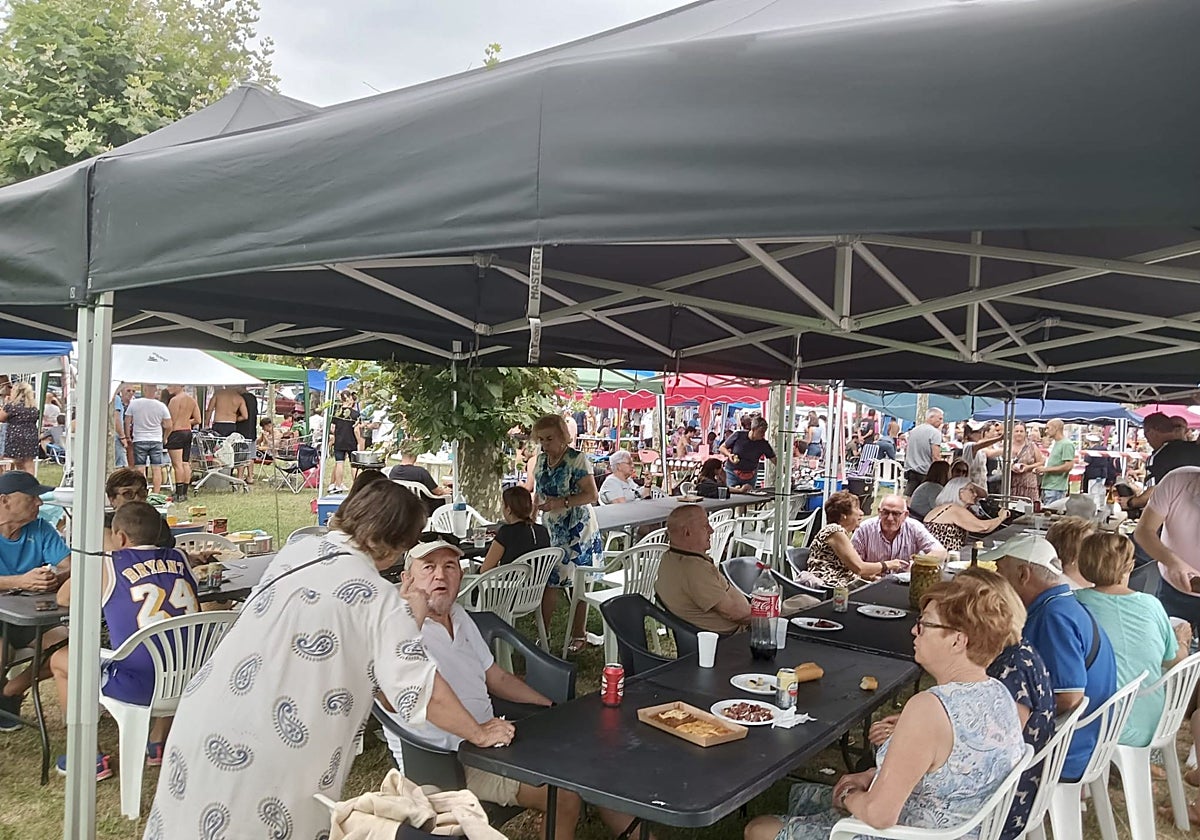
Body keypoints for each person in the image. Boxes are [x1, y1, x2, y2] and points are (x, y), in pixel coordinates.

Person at [143, 480, 514, 839]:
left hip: (207, 713)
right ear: (396, 546)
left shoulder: (296, 553)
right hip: (273, 751)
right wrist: (479, 731)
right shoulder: (377, 600)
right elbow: (422, 692)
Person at [388, 537, 644, 840]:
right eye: (428, 567)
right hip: (448, 761)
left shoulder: (458, 615)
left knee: (589, 756)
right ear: (407, 580)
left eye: (449, 566)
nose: (440, 575)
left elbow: (496, 677)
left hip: (491, 742)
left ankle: (634, 831)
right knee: (563, 794)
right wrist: (413, 616)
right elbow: (394, 691)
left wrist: (550, 707)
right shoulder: (395, 632)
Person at [745, 575, 1025, 840]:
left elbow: (880, 815)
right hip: (959, 827)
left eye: (925, 624)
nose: (915, 630)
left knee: (759, 829)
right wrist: (870, 776)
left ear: (957, 640)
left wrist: (849, 796)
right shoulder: (1000, 694)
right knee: (803, 794)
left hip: (906, 832)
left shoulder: (930, 708)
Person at [49, 502, 202, 778]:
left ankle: (86, 756)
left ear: (119, 537)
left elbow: (63, 598)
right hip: (187, 680)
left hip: (135, 685)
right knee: (173, 648)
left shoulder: (108, 562)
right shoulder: (181, 558)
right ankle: (157, 742)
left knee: (61, 661)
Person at [989, 534, 1117, 782]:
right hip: (1086, 738)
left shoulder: (1053, 617)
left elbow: (1069, 698)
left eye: (1000, 572)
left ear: (1024, 575)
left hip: (1066, 750)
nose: (997, 582)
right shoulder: (1061, 604)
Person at [1075, 531, 1188, 748]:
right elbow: (1175, 660)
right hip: (1153, 720)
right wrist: (1182, 641)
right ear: (1130, 566)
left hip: (1097, 722)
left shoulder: (1074, 604)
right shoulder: (1151, 605)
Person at [0, 471, 71, 728]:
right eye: (32, 497)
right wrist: (19, 582)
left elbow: (71, 564)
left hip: (32, 616)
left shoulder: (40, 527)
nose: (39, 503)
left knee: (69, 650)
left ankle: (11, 691)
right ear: (4, 500)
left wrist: (56, 577)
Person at [532, 414, 602, 654]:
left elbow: (591, 495)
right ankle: (544, 633)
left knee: (578, 581)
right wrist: (531, 519)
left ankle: (579, 633)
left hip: (577, 528)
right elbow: (537, 493)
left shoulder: (577, 460)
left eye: (549, 438)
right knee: (549, 580)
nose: (544, 444)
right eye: (541, 439)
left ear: (563, 436)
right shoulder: (540, 460)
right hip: (551, 528)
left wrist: (562, 502)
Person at [656, 505, 749, 634]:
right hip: (730, 640)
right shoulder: (694, 570)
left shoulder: (670, 558)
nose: (711, 530)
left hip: (709, 636)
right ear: (687, 532)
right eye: (705, 526)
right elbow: (739, 614)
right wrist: (771, 615)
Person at [1135, 466, 1200, 625]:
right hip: (1175, 591)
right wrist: (1172, 562)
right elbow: (1144, 530)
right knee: (1168, 646)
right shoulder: (1176, 481)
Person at [807, 491, 904, 590]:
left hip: (841, 586)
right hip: (830, 589)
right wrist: (888, 564)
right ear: (843, 515)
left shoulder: (838, 533)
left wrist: (870, 577)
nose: (861, 513)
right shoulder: (834, 531)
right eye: (857, 508)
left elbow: (848, 567)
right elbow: (859, 568)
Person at [1122, 412, 1200, 514]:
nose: (1148, 441)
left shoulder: (1157, 457)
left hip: (1174, 519)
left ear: (1152, 433)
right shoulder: (1196, 448)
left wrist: (1130, 502)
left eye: (1146, 437)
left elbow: (1154, 494)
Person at [852, 494, 945, 568]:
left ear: (905, 515)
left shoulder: (914, 527)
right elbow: (852, 563)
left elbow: (940, 552)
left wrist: (917, 565)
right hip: (870, 582)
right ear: (879, 512)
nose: (890, 518)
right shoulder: (864, 529)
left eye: (896, 514)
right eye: (886, 512)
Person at [921, 478, 1011, 553]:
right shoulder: (955, 510)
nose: (975, 494)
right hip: (945, 557)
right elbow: (983, 527)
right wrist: (1001, 517)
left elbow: (983, 494)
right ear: (959, 492)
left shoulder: (943, 508)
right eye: (971, 490)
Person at [480, 486, 551, 572]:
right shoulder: (542, 531)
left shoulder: (506, 533)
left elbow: (485, 570)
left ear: (508, 509)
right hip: (537, 584)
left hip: (509, 584)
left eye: (503, 505)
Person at [104, 468, 175, 550]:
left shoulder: (157, 522)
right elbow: (112, 556)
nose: (137, 498)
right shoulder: (105, 523)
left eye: (141, 492)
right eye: (128, 494)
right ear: (112, 499)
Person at [124, 390, 173, 494]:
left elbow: (127, 421)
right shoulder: (161, 406)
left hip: (140, 439)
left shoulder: (134, 403)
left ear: (144, 390)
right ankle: (156, 493)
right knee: (156, 468)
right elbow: (169, 425)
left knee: (140, 468)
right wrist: (165, 437)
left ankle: (141, 491)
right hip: (156, 440)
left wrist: (128, 436)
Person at [164, 384, 201, 501]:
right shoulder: (192, 400)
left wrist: (165, 437)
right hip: (187, 432)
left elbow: (171, 422)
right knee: (185, 463)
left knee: (177, 465)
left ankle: (179, 493)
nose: (168, 388)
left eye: (170, 385)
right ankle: (184, 492)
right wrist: (186, 420)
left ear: (179, 386)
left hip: (176, 433)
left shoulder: (174, 401)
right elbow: (198, 420)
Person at [388, 445, 450, 515]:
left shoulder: (394, 470)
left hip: (401, 505)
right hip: (423, 506)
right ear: (415, 455)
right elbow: (437, 492)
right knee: (448, 499)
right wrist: (444, 490)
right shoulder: (420, 472)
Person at [719, 416, 776, 491]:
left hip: (750, 476)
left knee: (749, 497)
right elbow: (722, 448)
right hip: (732, 473)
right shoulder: (738, 435)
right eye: (761, 431)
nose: (763, 434)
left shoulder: (763, 444)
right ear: (753, 429)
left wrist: (785, 470)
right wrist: (729, 455)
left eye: (764, 432)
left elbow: (774, 459)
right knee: (732, 496)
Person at [1044, 516, 1097, 590]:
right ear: (1069, 549)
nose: (1096, 547)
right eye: (1088, 544)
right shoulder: (1060, 587)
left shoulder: (1095, 576)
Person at [0, 382, 40, 475]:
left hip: (16, 436)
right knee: (29, 463)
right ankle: (30, 484)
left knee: (16, 461)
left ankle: (18, 482)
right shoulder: (33, 407)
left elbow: (1, 418)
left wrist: (6, 404)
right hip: (31, 436)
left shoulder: (12, 406)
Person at [327, 389, 362, 493]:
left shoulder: (336, 413)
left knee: (339, 462)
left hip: (339, 441)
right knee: (354, 464)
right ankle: (357, 486)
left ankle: (337, 485)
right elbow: (356, 429)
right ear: (349, 398)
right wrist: (359, 441)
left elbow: (332, 428)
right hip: (351, 441)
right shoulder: (356, 414)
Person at [1033, 418, 1076, 505]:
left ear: (1056, 428)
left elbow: (1068, 466)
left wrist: (1046, 469)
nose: (1046, 431)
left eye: (1048, 428)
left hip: (1056, 488)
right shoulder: (1056, 443)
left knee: (1051, 513)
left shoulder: (1066, 444)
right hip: (1049, 486)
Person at [903, 408, 944, 496]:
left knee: (910, 496)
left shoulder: (913, 431)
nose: (941, 421)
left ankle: (908, 509)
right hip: (926, 471)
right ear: (931, 417)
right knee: (926, 498)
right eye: (939, 418)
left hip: (912, 469)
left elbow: (907, 449)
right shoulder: (935, 433)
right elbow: (935, 456)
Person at [961, 421, 1004, 489]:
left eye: (981, 430)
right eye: (977, 431)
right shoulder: (968, 446)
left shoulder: (980, 448)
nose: (980, 433)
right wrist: (999, 438)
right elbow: (980, 446)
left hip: (981, 486)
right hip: (971, 488)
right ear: (970, 434)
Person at [1008, 421, 1044, 504]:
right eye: (1016, 431)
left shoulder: (1031, 446)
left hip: (1029, 485)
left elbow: (1041, 462)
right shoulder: (1007, 446)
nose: (1019, 434)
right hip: (1012, 485)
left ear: (1025, 433)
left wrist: (1028, 467)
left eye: (1021, 431)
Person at [235, 386, 258, 484]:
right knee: (251, 455)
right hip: (252, 430)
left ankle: (239, 477)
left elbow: (243, 416)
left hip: (242, 431)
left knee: (242, 455)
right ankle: (250, 476)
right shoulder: (253, 398)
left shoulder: (240, 399)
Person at [113, 383, 136, 468]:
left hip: (129, 434)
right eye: (128, 390)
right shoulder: (117, 400)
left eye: (133, 391)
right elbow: (117, 419)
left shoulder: (134, 404)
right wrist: (123, 436)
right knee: (121, 463)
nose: (131, 393)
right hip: (119, 434)